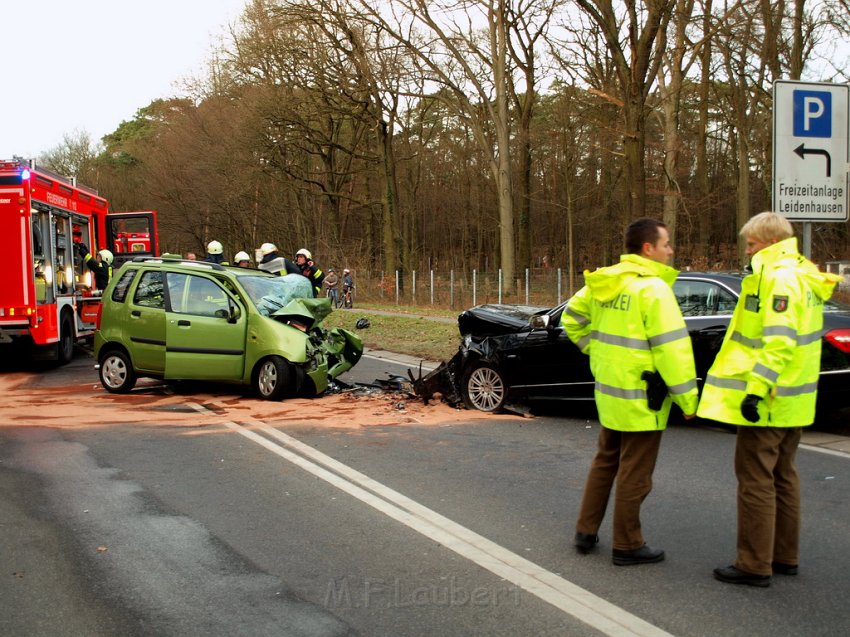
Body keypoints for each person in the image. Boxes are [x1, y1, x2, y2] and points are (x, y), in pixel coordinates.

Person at [697, 212, 842, 588]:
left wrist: (756, 391)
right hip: (795, 398)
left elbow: (777, 343)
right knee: (784, 476)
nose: (748, 250)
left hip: (770, 399)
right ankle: (784, 556)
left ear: (768, 242)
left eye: (751, 244)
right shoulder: (805, 276)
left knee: (755, 480)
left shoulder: (777, 279)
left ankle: (753, 563)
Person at [562, 217, 698, 566]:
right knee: (635, 473)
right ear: (648, 248)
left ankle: (585, 530)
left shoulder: (605, 281)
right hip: (643, 396)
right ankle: (628, 543)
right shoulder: (653, 290)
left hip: (611, 391)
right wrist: (687, 399)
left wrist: (597, 351)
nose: (671, 250)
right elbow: (673, 350)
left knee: (605, 462)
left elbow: (571, 319)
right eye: (666, 244)